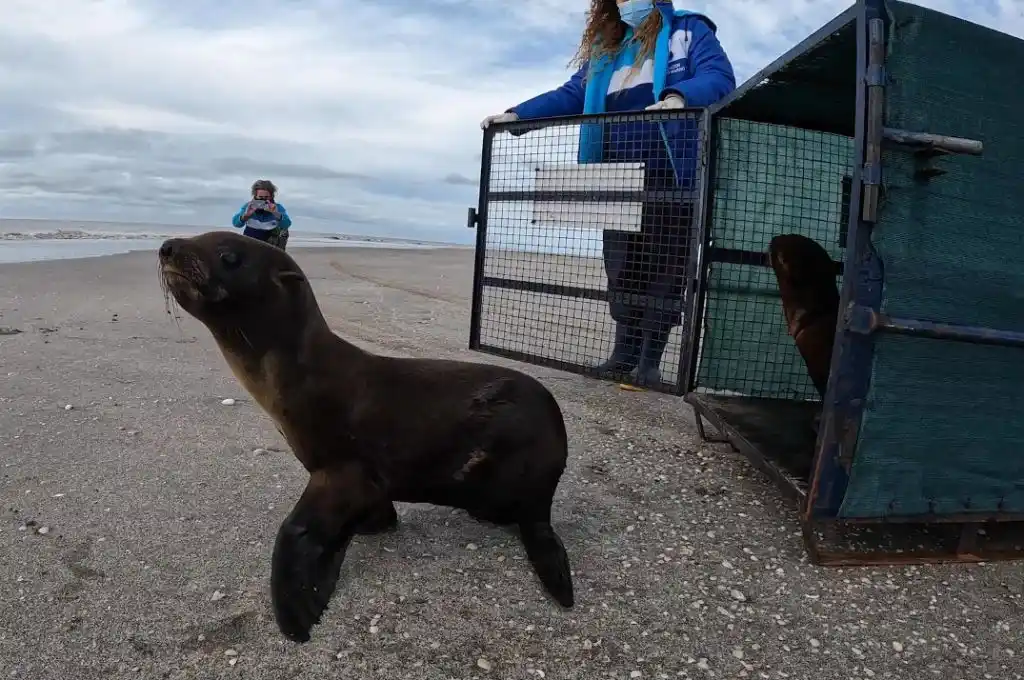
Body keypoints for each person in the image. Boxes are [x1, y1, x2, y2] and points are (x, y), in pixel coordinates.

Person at [480, 0, 735, 386]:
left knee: (667, 267)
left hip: (672, 169)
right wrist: (519, 115)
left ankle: (649, 362)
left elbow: (718, 76)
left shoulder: (688, 30)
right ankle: (623, 355)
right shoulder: (607, 50)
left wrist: (678, 97)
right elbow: (570, 94)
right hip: (615, 173)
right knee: (621, 265)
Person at [231, 179, 292, 250]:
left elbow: (287, 224)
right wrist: (245, 216)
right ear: (255, 196)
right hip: (251, 244)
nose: (263, 201)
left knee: (283, 232)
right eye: (260, 198)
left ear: (272, 196)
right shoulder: (249, 207)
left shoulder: (278, 207)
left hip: (271, 247)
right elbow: (236, 224)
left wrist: (276, 214)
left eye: (266, 197)